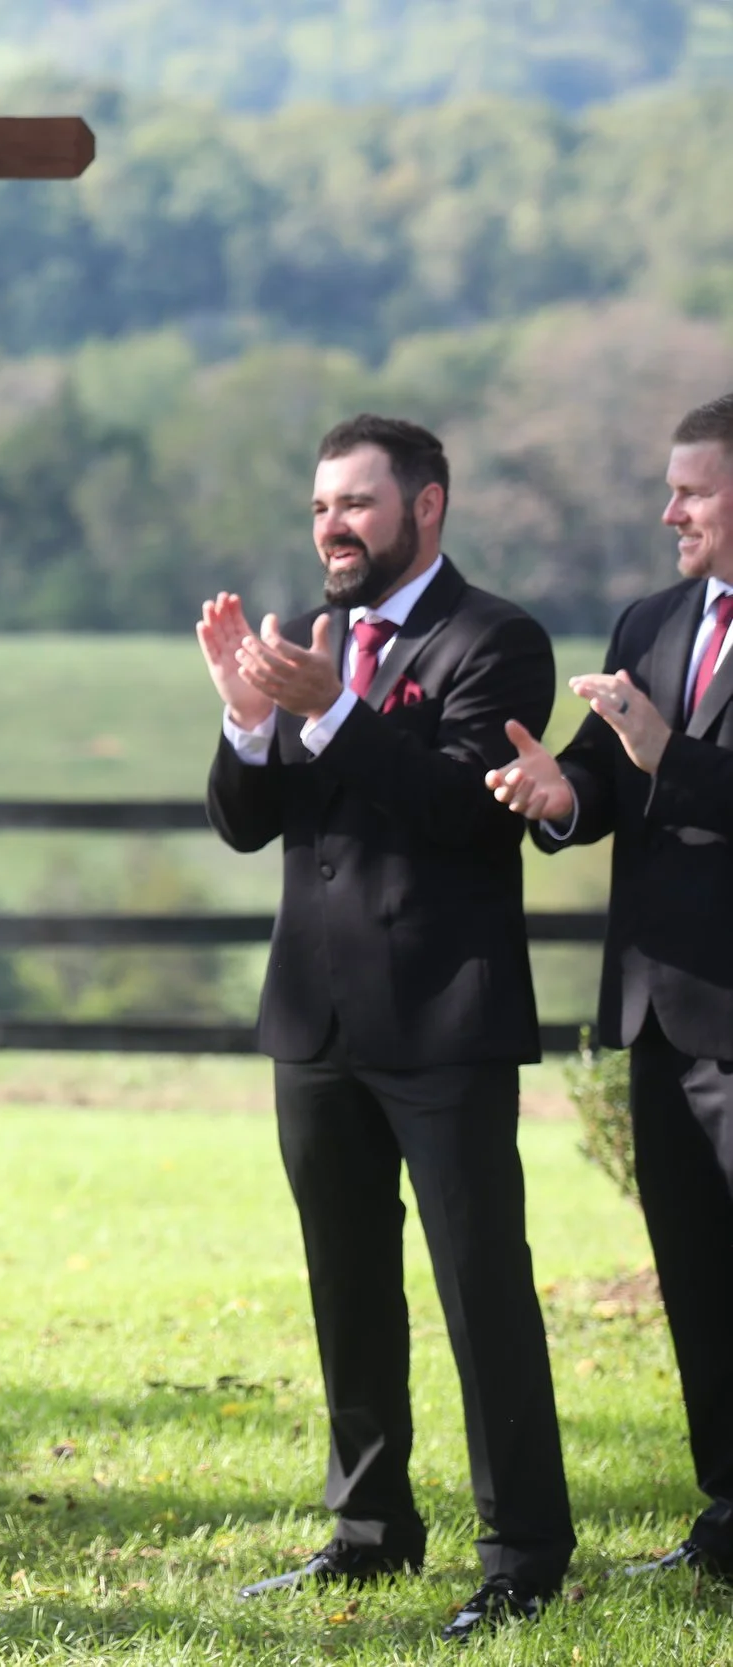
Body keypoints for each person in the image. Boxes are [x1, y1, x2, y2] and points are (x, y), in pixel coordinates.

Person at [197, 416, 573, 1642]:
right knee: (345, 1283)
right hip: (313, 1017)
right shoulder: (314, 645)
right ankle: (367, 1528)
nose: (332, 528)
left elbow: (469, 813)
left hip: (442, 1018)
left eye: (355, 503)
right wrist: (246, 720)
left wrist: (331, 712)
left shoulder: (496, 638)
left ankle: (523, 1547)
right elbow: (249, 826)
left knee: (481, 1289)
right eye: (319, 507)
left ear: (427, 507)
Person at [488, 391, 733, 1585]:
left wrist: (664, 755)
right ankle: (728, 1512)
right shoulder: (654, 615)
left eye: (691, 489)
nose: (667, 508)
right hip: (655, 1007)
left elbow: (663, 761)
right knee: (696, 1272)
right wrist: (559, 793)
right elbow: (603, 777)